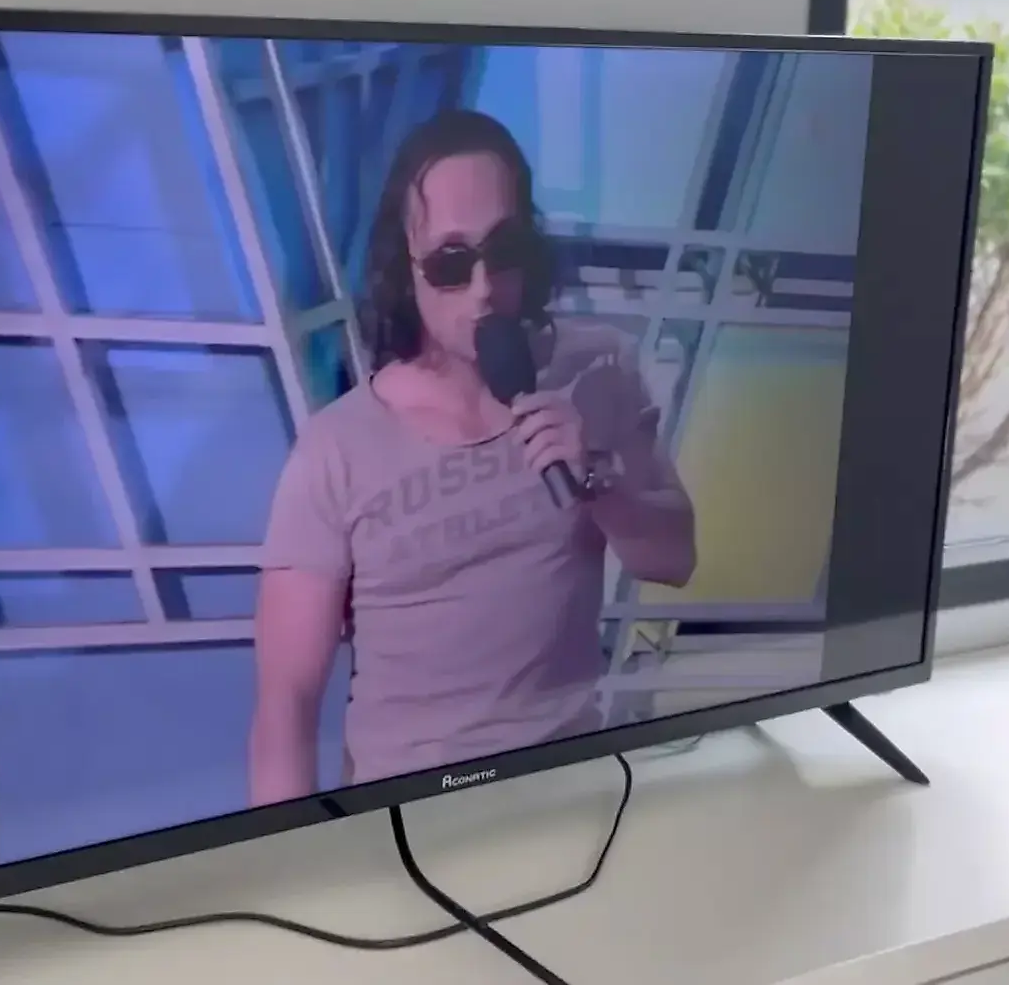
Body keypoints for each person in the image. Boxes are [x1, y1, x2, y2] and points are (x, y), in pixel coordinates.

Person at [248, 109, 697, 804]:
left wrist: (598, 481)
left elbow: (674, 559)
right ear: (406, 272)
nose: (485, 287)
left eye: (503, 250)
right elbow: (286, 704)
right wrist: (297, 859)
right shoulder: (335, 449)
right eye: (451, 263)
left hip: (572, 793)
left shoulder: (597, 367)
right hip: (407, 814)